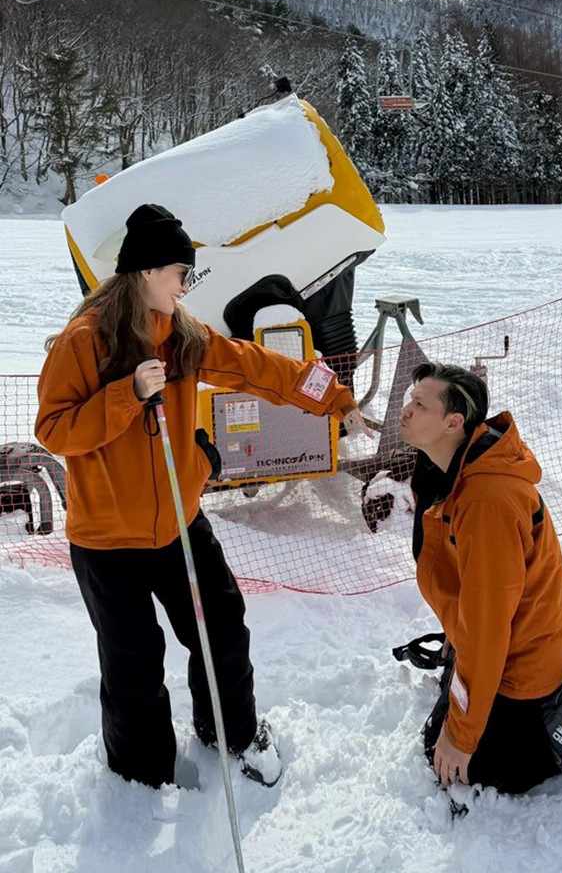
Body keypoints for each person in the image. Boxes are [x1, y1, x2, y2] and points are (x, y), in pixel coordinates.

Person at [35, 203, 369, 790]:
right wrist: (127, 394)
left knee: (221, 629)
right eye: (180, 273)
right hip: (109, 541)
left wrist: (334, 397)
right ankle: (140, 778)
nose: (187, 285)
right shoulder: (84, 341)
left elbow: (263, 367)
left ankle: (230, 733)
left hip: (180, 524)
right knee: (134, 660)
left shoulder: (183, 335)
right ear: (144, 273)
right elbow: (55, 430)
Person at [399, 361, 562, 795]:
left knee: (449, 757)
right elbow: (472, 590)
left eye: (419, 405)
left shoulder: (486, 500)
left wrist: (461, 738)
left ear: (452, 423)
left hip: (522, 674)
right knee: (446, 722)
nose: (405, 410)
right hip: (500, 649)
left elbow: (488, 626)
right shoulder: (455, 469)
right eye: (410, 400)